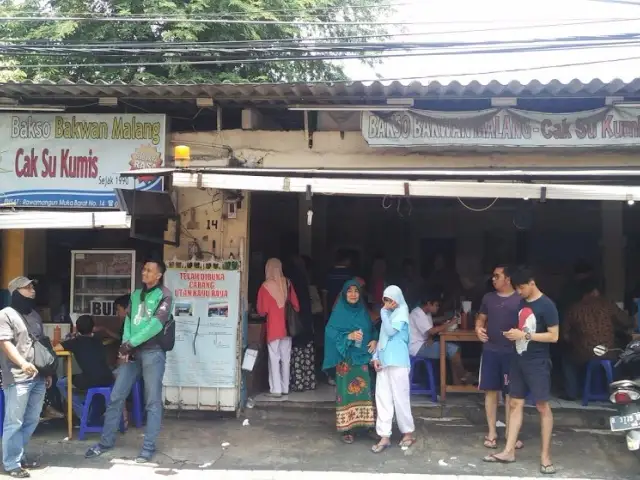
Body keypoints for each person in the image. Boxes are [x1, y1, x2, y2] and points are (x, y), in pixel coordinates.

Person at [85, 259, 173, 464]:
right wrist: (125, 345)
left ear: (158, 275)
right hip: (131, 352)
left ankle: (148, 448)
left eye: (149, 270)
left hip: (153, 352)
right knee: (116, 396)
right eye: (144, 269)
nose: (144, 272)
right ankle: (105, 442)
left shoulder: (165, 295)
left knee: (152, 401)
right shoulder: (135, 295)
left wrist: (130, 343)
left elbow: (155, 325)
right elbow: (128, 322)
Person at [483, 266, 559, 476]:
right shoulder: (522, 302)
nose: (518, 292)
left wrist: (524, 336)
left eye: (521, 287)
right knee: (515, 402)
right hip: (518, 359)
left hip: (537, 362)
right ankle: (508, 451)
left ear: (532, 283)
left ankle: (545, 457)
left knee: (542, 406)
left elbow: (554, 336)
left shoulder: (547, 305)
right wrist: (514, 335)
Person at [0, 276, 49, 478]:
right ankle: (11, 463)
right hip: (17, 376)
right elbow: (4, 343)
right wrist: (22, 363)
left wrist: (47, 373)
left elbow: (42, 344)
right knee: (14, 421)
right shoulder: (5, 315)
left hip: (38, 377)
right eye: (27, 288)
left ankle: (18, 455)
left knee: (32, 419)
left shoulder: (35, 315)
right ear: (15, 292)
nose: (32, 290)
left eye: (32, 287)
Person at [323, 279, 377, 444]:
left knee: (366, 392)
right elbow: (329, 333)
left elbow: (372, 329)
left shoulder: (362, 312)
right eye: (349, 291)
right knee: (346, 393)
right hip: (345, 361)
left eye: (356, 291)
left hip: (362, 359)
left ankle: (368, 426)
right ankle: (346, 429)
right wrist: (348, 337)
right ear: (344, 294)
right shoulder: (338, 313)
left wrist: (375, 340)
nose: (353, 294)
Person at [475, 265, 523, 450]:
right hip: (491, 351)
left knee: (511, 395)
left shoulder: (520, 299)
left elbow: (528, 324)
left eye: (497, 276)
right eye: (493, 276)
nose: (493, 279)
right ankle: (492, 432)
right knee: (490, 392)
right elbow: (481, 319)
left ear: (508, 279)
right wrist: (478, 329)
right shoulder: (488, 298)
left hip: (512, 353)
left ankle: (511, 434)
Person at [562, 278, 634, 400]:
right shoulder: (608, 304)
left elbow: (565, 335)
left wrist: (576, 340)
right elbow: (627, 321)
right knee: (622, 356)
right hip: (608, 352)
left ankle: (571, 393)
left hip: (584, 353)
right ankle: (617, 391)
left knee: (567, 360)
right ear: (595, 291)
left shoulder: (574, 308)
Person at [371, 285, 415, 453]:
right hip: (384, 361)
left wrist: (383, 312)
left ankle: (408, 433)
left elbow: (389, 332)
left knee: (400, 398)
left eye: (390, 300)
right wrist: (375, 357)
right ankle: (384, 436)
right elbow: (382, 339)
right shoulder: (388, 315)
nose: (388, 304)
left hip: (398, 362)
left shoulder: (402, 312)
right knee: (382, 398)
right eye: (385, 300)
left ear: (397, 299)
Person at [54, 315, 114, 418]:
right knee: (85, 378)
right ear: (93, 327)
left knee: (60, 383)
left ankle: (83, 414)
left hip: (90, 379)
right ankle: (89, 409)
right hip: (108, 377)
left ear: (77, 328)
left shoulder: (75, 342)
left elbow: (55, 349)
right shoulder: (98, 340)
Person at [257, 258, 300, 398]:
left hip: (274, 328)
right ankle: (285, 387)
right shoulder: (288, 283)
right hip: (288, 327)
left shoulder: (265, 286)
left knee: (274, 358)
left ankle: (276, 389)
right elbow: (296, 306)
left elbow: (261, 311)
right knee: (286, 358)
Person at [409, 292, 473, 385]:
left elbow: (427, 330)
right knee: (452, 350)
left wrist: (430, 337)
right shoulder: (418, 314)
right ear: (428, 303)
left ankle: (459, 381)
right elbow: (432, 331)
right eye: (436, 305)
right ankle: (463, 376)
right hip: (417, 348)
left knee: (456, 347)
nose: (437, 308)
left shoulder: (426, 313)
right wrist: (449, 323)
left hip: (424, 343)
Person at [285, 255, 316, 392]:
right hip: (307, 321)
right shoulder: (305, 280)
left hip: (296, 322)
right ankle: (309, 382)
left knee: (297, 353)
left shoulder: (291, 282)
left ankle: (298, 383)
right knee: (307, 353)